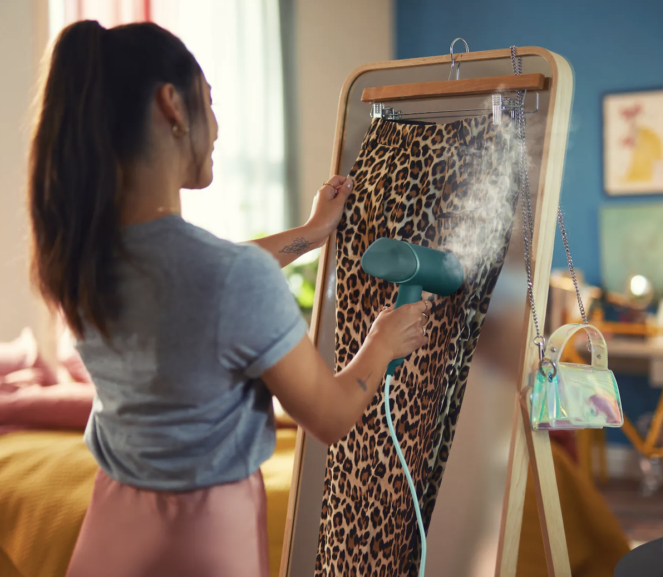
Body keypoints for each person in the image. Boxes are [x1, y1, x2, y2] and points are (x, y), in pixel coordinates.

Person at [27, 20, 431, 577]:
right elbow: (331, 417)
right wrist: (383, 342)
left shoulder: (81, 258)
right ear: (171, 105)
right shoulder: (228, 277)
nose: (215, 129)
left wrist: (311, 234)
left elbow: (204, 276)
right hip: (202, 539)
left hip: (110, 526)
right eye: (209, 104)